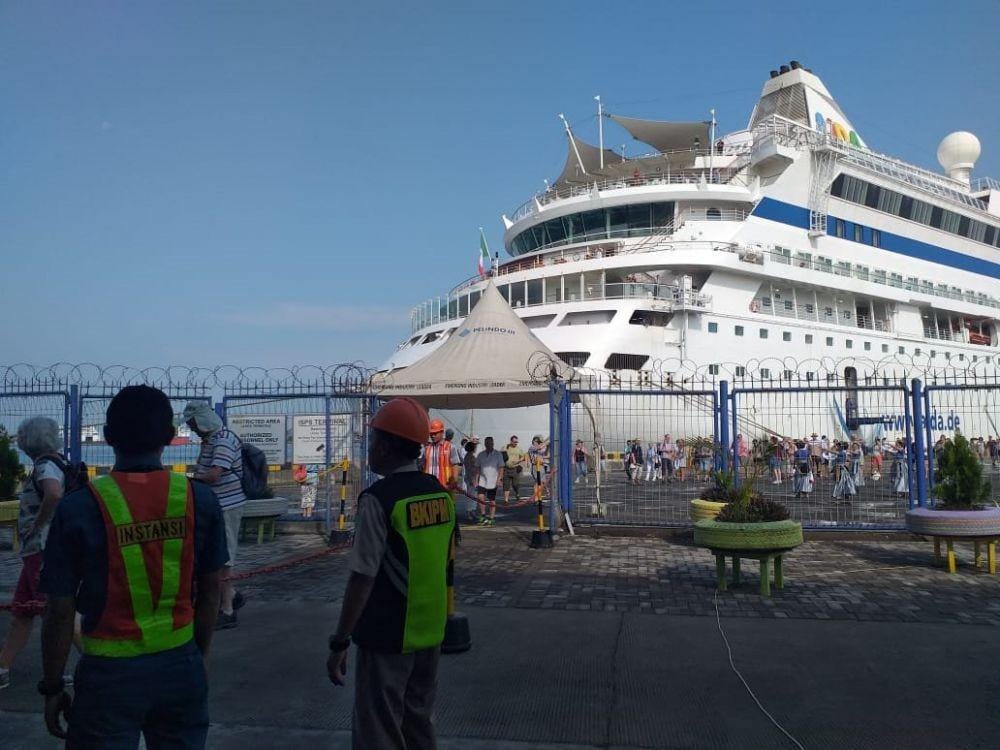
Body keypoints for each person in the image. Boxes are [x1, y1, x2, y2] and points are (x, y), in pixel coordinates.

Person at [39, 385, 227, 747]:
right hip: (180, 662)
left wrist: (51, 686)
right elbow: (212, 587)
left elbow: (60, 610)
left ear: (109, 437)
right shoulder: (198, 500)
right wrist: (198, 658)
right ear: (170, 437)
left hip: (108, 675)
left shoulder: (79, 507)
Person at [326, 396, 455, 749]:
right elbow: (445, 560)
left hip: (388, 635)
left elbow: (362, 577)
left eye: (372, 441)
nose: (369, 449)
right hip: (430, 631)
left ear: (384, 447)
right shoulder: (440, 495)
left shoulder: (378, 500)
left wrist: (340, 640)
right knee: (418, 722)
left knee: (379, 730)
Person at [0, 417, 66, 690]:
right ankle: (2, 666)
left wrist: (36, 526)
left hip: (41, 550)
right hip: (37, 551)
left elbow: (53, 494)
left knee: (57, 613)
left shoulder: (46, 466)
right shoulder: (53, 463)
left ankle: (96, 665)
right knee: (23, 612)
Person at [182, 401, 246, 630]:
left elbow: (214, 475)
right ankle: (232, 596)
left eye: (192, 424)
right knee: (219, 554)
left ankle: (227, 608)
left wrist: (187, 482)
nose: (191, 429)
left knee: (225, 557)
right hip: (217, 505)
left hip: (226, 505)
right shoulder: (213, 440)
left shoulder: (223, 440)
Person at [422, 419, 461, 492]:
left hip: (445, 485)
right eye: (431, 434)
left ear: (442, 432)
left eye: (435, 433)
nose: (432, 436)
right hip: (429, 485)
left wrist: (455, 481)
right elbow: (423, 466)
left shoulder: (450, 447)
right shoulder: (426, 449)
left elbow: (455, 464)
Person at [475, 437, 505, 526]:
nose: (489, 445)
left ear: (493, 443)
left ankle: (491, 517)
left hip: (493, 481)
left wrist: (499, 479)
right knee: (480, 497)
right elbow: (477, 468)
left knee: (492, 500)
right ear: (485, 444)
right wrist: (476, 480)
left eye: (490, 443)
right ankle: (483, 515)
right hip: (482, 480)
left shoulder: (498, 454)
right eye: (487, 443)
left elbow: (501, 468)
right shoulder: (481, 454)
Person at [502, 435, 527, 504]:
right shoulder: (506, 447)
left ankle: (517, 494)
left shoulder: (519, 449)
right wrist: (503, 450)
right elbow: (501, 454)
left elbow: (523, 457)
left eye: (517, 442)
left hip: (515, 469)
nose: (516, 443)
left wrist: (518, 461)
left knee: (515, 484)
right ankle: (506, 501)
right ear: (511, 441)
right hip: (506, 469)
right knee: (506, 485)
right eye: (514, 442)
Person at [461, 438, 480, 522]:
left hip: (469, 477)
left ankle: (472, 512)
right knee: (471, 496)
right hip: (472, 478)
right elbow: (472, 470)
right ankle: (470, 513)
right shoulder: (470, 457)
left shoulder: (467, 456)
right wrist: (474, 480)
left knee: (473, 496)